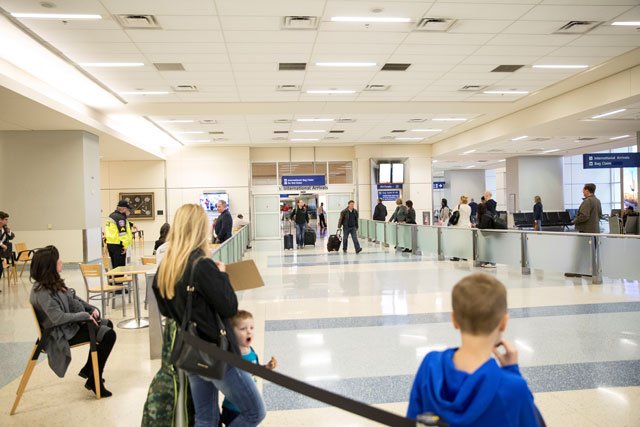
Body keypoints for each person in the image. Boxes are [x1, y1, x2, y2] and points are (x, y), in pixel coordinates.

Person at [153, 204, 265, 427]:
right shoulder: (202, 265)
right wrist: (221, 276)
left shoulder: (166, 267)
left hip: (191, 351)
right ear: (200, 229)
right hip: (217, 352)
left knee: (206, 417)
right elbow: (229, 307)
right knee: (255, 412)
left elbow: (166, 310)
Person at [407, 273, 543, 427]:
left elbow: (412, 420)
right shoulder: (512, 387)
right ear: (504, 323)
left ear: (454, 320)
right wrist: (512, 371)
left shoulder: (430, 365)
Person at [30, 245, 117, 397]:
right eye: (58, 260)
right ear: (50, 266)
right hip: (58, 334)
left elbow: (72, 298)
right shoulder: (41, 292)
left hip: (67, 327)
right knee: (109, 335)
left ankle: (90, 372)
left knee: (107, 325)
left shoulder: (52, 282)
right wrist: (84, 316)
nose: (61, 261)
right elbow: (58, 318)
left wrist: (90, 309)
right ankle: (93, 379)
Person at [220, 310, 277, 427]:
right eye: (243, 329)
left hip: (248, 405)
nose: (249, 332)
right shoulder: (232, 356)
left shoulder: (251, 351)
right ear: (231, 333)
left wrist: (267, 367)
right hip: (233, 409)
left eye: (251, 328)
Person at [566, 183, 603, 278]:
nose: (582, 191)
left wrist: (574, 221)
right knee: (590, 252)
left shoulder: (587, 201)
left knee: (580, 251)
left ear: (587, 190)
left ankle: (577, 271)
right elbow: (600, 215)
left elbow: (584, 216)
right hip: (595, 231)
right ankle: (589, 271)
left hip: (586, 230)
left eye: (583, 189)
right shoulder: (597, 201)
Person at [105, 200, 133, 271]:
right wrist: (125, 246)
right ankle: (119, 282)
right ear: (123, 209)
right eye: (127, 209)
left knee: (114, 267)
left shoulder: (112, 215)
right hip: (118, 245)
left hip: (110, 244)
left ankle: (113, 281)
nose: (128, 211)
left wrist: (131, 224)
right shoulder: (120, 218)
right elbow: (122, 233)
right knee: (120, 268)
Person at [476, 203, 496, 268]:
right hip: (491, 234)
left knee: (488, 249)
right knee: (488, 248)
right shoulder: (488, 213)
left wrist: (475, 225)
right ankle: (488, 261)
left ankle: (491, 262)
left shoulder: (484, 216)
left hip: (488, 235)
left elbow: (482, 226)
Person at [0, 211, 15, 284]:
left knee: (0, 269)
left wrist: (9, 231)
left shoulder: (4, 228)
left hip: (1, 252)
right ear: (0, 219)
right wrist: (2, 245)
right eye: (6, 219)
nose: (7, 221)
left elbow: (11, 236)